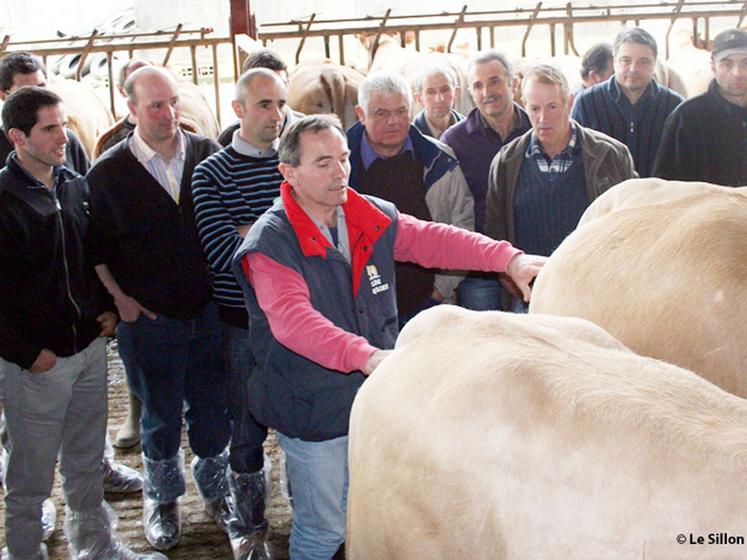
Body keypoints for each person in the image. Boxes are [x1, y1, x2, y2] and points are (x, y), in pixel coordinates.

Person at [231, 114, 546, 560]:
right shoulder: (271, 242)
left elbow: (434, 240)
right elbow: (293, 322)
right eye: (323, 163)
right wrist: (367, 357)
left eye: (343, 158)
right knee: (324, 528)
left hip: (374, 397)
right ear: (289, 173)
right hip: (314, 408)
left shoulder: (367, 214)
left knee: (369, 514)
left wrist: (506, 258)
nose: (340, 172)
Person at [0, 86, 165, 560]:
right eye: (49, 128)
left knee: (86, 462)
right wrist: (28, 353)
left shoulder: (73, 184)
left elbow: (89, 256)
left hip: (89, 350)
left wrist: (106, 310)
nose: (63, 136)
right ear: (17, 137)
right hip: (39, 364)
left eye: (63, 124)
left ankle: (97, 548)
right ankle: (25, 553)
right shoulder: (5, 202)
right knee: (30, 478)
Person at [86, 66, 231, 552]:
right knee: (159, 414)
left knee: (213, 407)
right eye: (155, 105)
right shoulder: (107, 173)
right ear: (130, 110)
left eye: (173, 102)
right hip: (149, 320)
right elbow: (96, 249)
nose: (169, 114)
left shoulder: (209, 155)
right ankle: (163, 497)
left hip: (209, 312)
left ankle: (216, 487)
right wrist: (121, 300)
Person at [191, 68, 286, 560]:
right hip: (242, 324)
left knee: (302, 421)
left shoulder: (292, 165)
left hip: (297, 325)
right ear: (238, 110)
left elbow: (313, 235)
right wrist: (280, 238)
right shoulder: (211, 172)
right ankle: (249, 528)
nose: (276, 114)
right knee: (245, 429)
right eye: (265, 104)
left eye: (280, 104)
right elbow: (221, 249)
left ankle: (311, 512)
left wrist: (253, 230)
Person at [484, 64, 637, 312]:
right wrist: (509, 278)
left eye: (552, 107)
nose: (543, 119)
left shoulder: (610, 156)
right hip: (530, 294)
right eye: (535, 109)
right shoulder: (506, 162)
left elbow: (629, 224)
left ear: (569, 102)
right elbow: (495, 227)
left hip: (594, 292)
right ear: (524, 106)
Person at [347, 73, 473, 319]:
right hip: (362, 313)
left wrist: (439, 292)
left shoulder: (440, 160)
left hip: (430, 305)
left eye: (401, 111)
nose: (393, 121)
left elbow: (463, 224)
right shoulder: (340, 166)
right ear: (361, 114)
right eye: (381, 113)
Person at [440, 50, 531, 311]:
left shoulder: (535, 129)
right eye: (478, 86)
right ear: (470, 92)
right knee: (485, 344)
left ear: (513, 84)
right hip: (478, 270)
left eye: (494, 81)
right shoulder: (454, 142)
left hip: (529, 258)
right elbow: (448, 208)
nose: (486, 91)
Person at [571, 27, 683, 177]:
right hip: (604, 197)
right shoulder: (587, 103)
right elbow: (573, 157)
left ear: (655, 63)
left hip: (659, 196)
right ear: (614, 61)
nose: (633, 69)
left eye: (643, 62)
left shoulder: (674, 106)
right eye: (626, 60)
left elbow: (684, 162)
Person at [653, 28, 747, 185]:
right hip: (707, 208)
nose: (738, 73)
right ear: (713, 66)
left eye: (746, 63)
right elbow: (664, 184)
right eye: (727, 64)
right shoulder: (686, 118)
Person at [0, 51, 89, 173]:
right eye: (26, 92)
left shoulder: (68, 139)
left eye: (41, 87)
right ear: (4, 95)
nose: (38, 97)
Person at [217, 48, 302, 147]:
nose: (276, 92)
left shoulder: (308, 132)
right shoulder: (227, 140)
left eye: (282, 84)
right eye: (265, 105)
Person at [410, 63, 464, 139]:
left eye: (445, 90)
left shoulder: (471, 130)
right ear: (418, 98)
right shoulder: (411, 137)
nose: (439, 98)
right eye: (430, 92)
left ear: (456, 92)